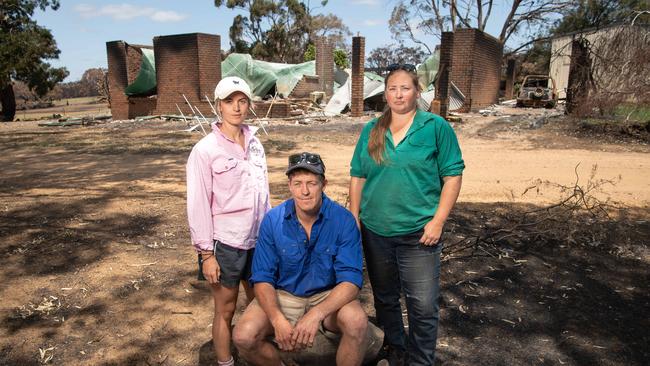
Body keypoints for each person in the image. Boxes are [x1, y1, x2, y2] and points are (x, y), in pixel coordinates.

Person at [348, 64, 465, 366]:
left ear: (417, 91)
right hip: (376, 232)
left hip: (419, 234)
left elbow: (453, 175)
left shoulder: (436, 127)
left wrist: (438, 221)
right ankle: (396, 350)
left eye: (405, 88)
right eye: (392, 88)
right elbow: (358, 176)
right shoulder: (371, 130)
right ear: (385, 93)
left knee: (423, 306)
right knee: (385, 299)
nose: (398, 94)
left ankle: (420, 361)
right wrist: (354, 217)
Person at [232, 152, 369, 366]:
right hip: (284, 295)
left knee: (357, 321)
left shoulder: (343, 220)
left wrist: (315, 314)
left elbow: (351, 281)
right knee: (243, 335)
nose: (304, 191)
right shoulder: (273, 220)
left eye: (311, 183)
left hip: (327, 296)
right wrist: (277, 319)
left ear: (324, 183)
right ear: (289, 185)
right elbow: (262, 278)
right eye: (298, 183)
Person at [186, 76, 270, 366]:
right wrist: (206, 254)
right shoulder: (205, 150)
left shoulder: (256, 144)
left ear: (249, 104)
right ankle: (225, 362)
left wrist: (271, 235)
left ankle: (254, 352)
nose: (236, 107)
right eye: (229, 101)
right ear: (218, 105)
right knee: (226, 308)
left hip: (258, 241)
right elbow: (197, 204)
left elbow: (264, 194)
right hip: (225, 243)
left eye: (242, 100)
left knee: (261, 303)